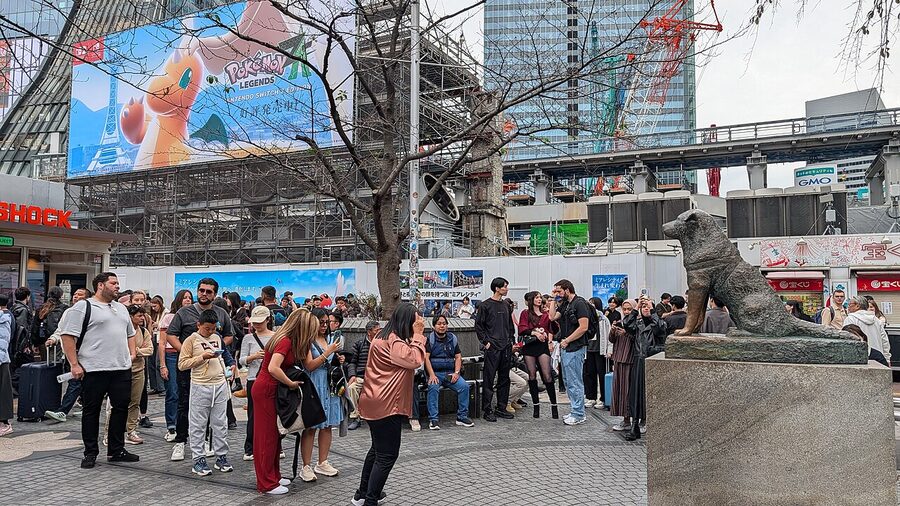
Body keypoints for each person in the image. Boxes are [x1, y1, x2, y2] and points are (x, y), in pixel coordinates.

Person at [59, 272, 139, 469]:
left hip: (121, 368)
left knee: (120, 409)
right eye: (113, 283)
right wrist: (74, 364)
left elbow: (130, 333)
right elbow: (67, 336)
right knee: (91, 411)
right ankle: (90, 452)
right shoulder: (83, 307)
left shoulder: (121, 308)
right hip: (94, 369)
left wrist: (132, 353)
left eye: (118, 283)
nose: (117, 286)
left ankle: (116, 450)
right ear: (100, 286)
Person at [354, 303, 426, 506]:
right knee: (387, 456)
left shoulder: (381, 337)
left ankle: (362, 494)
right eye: (416, 318)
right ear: (407, 320)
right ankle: (370, 500)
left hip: (373, 400)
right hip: (387, 404)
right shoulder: (394, 341)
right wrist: (419, 334)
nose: (419, 321)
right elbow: (413, 360)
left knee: (377, 450)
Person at [166, 278, 234, 462]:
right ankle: (180, 441)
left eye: (208, 291)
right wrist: (188, 352)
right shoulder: (184, 312)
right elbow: (171, 335)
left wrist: (216, 349)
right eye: (201, 290)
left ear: (215, 294)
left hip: (212, 370)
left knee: (210, 409)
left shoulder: (221, 313)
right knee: (183, 403)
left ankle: (204, 441)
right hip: (188, 368)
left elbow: (228, 335)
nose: (204, 294)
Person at [252, 309, 318, 495]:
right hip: (267, 389)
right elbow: (273, 368)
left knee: (273, 436)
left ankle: (273, 476)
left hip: (268, 388)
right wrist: (290, 383)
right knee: (266, 437)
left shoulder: (283, 338)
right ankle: (266, 483)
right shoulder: (285, 340)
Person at [178, 309, 235, 476]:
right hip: (200, 385)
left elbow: (226, 355)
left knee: (221, 423)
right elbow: (182, 364)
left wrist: (231, 365)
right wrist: (202, 357)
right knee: (198, 424)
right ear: (198, 325)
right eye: (207, 329)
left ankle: (221, 456)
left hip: (219, 384)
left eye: (213, 328)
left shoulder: (217, 338)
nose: (211, 332)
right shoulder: (191, 340)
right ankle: (198, 459)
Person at [298, 308, 346, 482]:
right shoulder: (307, 341)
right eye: (322, 322)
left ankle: (322, 461)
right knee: (311, 426)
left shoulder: (329, 339)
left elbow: (328, 361)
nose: (325, 325)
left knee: (327, 425)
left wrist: (337, 359)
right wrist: (328, 353)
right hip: (314, 384)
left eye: (328, 322)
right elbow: (309, 365)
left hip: (330, 385)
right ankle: (306, 465)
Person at [547, 279, 592, 425]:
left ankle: (578, 413)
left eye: (559, 291)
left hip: (575, 346)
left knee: (574, 381)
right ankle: (575, 410)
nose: (557, 294)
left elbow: (583, 327)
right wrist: (554, 299)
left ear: (567, 289)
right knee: (568, 381)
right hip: (567, 347)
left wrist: (568, 340)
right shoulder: (566, 304)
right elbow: (552, 317)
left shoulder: (580, 303)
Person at [43, 288, 92, 423]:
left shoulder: (90, 313)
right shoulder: (68, 312)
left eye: (80, 295)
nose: (76, 297)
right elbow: (62, 330)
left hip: (83, 354)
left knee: (75, 383)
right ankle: (87, 407)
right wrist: (53, 339)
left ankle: (62, 411)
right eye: (75, 294)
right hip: (69, 354)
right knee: (81, 383)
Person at [622, 299, 667, 441]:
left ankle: (653, 425)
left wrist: (652, 311)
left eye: (648, 307)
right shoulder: (638, 324)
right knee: (635, 394)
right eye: (644, 307)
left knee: (652, 394)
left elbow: (660, 329)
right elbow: (627, 324)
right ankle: (635, 425)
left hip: (653, 361)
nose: (646, 309)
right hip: (639, 360)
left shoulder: (659, 323)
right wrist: (637, 309)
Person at [474, 277, 515, 423]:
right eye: (504, 286)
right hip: (492, 348)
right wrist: (486, 342)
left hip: (506, 346)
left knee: (505, 379)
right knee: (489, 379)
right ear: (497, 288)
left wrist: (512, 341)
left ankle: (501, 407)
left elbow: (510, 326)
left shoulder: (506, 305)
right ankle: (487, 409)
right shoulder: (485, 306)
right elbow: (478, 326)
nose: (506, 288)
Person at [423, 315, 475, 430]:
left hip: (450, 373)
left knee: (464, 387)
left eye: (444, 323)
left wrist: (456, 372)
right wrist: (431, 375)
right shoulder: (429, 339)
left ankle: (462, 417)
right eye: (439, 324)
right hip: (435, 373)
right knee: (433, 388)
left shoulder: (452, 338)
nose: (442, 326)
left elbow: (458, 357)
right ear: (434, 326)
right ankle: (433, 420)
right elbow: (426, 358)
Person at [517, 291, 558, 418]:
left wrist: (549, 327)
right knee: (532, 375)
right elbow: (522, 329)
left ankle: (554, 406)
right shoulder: (525, 313)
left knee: (547, 375)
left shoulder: (546, 315)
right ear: (531, 300)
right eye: (536, 297)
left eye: (540, 297)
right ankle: (536, 406)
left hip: (542, 346)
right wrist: (535, 332)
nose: (539, 299)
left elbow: (554, 329)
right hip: (529, 346)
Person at [240, 306, 273, 461]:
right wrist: (253, 357)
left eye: (260, 322)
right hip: (254, 379)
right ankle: (250, 447)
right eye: (255, 323)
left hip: (272, 378)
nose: (257, 325)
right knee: (253, 415)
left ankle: (272, 445)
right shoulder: (248, 338)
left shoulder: (275, 336)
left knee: (272, 414)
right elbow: (241, 360)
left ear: (268, 320)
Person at [158, 289, 192, 441]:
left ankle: (185, 425)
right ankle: (171, 425)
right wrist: (162, 364)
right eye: (184, 298)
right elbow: (162, 343)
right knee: (173, 391)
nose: (188, 300)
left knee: (187, 391)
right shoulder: (169, 317)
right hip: (172, 356)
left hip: (189, 356)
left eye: (190, 298)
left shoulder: (193, 315)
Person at [122, 305, 154, 445]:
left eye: (143, 315)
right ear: (130, 316)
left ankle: (131, 430)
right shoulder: (122, 330)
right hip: (122, 370)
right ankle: (113, 432)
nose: (142, 318)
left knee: (135, 402)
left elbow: (150, 349)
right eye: (139, 316)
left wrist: (136, 351)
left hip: (139, 370)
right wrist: (136, 351)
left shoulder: (143, 331)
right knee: (119, 403)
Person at [348, 320, 379, 431]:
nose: (379, 332)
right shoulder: (359, 344)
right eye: (376, 330)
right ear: (369, 332)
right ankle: (356, 417)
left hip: (377, 377)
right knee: (351, 388)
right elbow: (352, 362)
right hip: (361, 376)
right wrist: (352, 375)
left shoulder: (381, 344)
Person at [609, 299, 635, 431]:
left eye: (629, 309)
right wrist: (613, 330)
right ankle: (625, 419)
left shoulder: (637, 322)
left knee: (628, 391)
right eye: (624, 309)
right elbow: (612, 340)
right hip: (618, 358)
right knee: (619, 390)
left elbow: (639, 340)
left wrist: (627, 333)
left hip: (630, 360)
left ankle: (633, 419)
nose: (626, 312)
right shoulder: (621, 321)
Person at [844, 295, 891, 362]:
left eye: (850, 304)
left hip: (860, 358)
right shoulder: (876, 320)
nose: (848, 307)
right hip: (879, 358)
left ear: (857, 306)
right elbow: (885, 341)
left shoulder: (850, 319)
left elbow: (847, 340)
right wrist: (887, 359)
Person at [585, 297, 611, 409]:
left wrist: (609, 350)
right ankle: (591, 397)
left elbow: (609, 335)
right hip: (589, 350)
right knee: (589, 374)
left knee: (602, 375)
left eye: (592, 304)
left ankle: (604, 398)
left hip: (601, 351)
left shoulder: (603, 319)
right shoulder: (586, 318)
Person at [32, 286, 68, 359]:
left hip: (43, 341)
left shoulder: (41, 309)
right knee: (56, 363)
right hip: (58, 341)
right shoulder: (64, 308)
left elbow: (35, 327)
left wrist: (35, 343)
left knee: (44, 364)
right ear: (61, 296)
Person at [147, 295, 167, 395]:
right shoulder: (155, 314)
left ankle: (162, 387)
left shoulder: (166, 313)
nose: (153, 308)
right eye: (152, 306)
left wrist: (157, 325)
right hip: (154, 338)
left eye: (155, 306)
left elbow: (165, 326)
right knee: (151, 363)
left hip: (160, 339)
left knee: (158, 363)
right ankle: (155, 386)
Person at [0, 294, 14, 436]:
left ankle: (4, 423)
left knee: (3, 391)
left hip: (2, 360)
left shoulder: (4, 318)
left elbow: (3, 341)